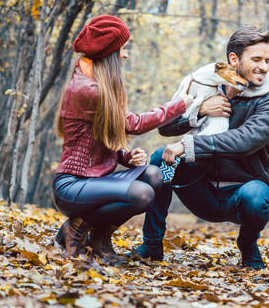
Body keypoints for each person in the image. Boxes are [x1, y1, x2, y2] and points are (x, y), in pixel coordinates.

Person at [137, 26, 269, 269]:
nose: (264, 67)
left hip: (241, 193)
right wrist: (200, 112)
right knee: (159, 159)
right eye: (256, 59)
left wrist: (187, 145)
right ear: (233, 59)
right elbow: (165, 127)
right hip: (201, 190)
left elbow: (244, 141)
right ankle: (152, 245)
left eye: (267, 60)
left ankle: (248, 245)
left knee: (257, 197)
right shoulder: (208, 87)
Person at [52, 15, 193, 262]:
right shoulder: (87, 89)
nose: (125, 55)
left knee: (154, 175)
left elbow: (99, 140)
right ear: (108, 53)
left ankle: (99, 238)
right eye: (123, 49)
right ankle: (74, 228)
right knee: (142, 194)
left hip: (92, 182)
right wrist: (178, 105)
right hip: (72, 186)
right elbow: (134, 124)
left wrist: (127, 158)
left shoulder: (97, 84)